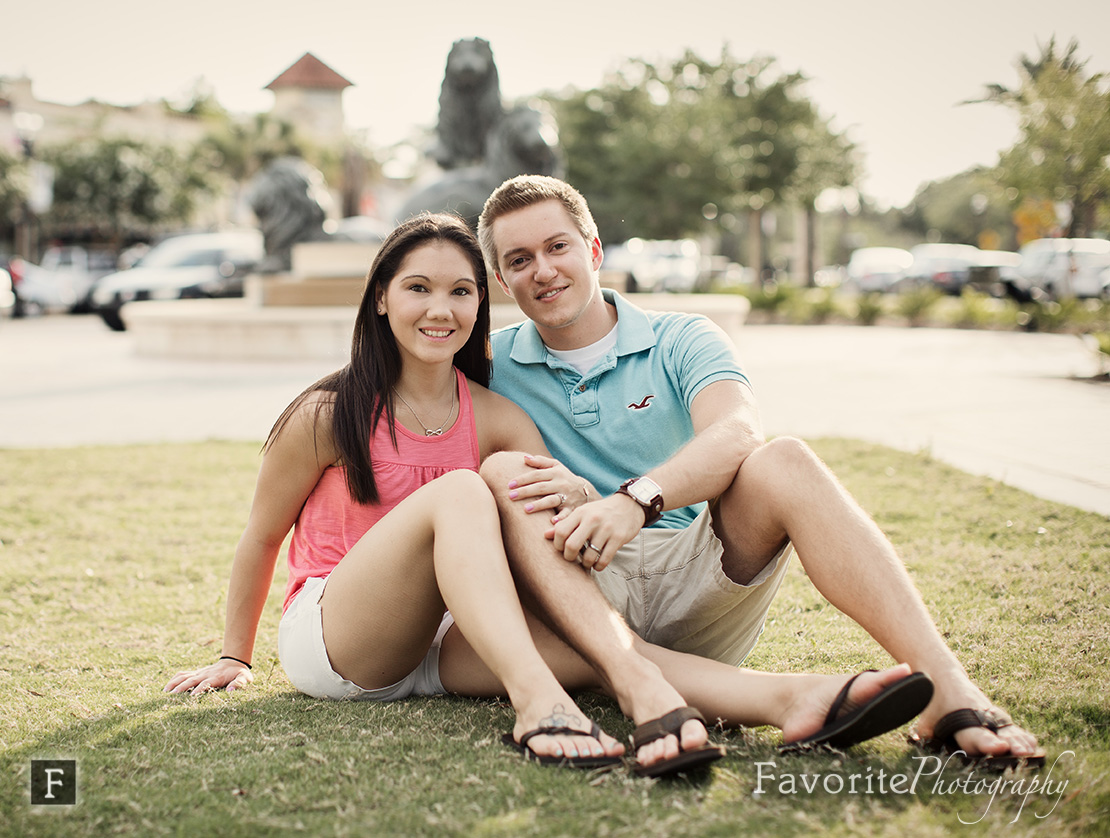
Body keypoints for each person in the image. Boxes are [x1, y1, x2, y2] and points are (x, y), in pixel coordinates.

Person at [164, 212, 935, 778]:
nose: (442, 309)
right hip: (339, 636)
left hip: (452, 641)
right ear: (380, 300)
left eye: (461, 292)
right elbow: (262, 536)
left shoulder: (497, 414)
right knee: (466, 491)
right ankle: (538, 706)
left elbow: (544, 543)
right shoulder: (328, 416)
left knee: (604, 645)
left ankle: (795, 699)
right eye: (419, 288)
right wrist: (235, 654)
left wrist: (578, 489)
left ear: (480, 307)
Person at [475, 175, 1045, 771]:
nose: (542, 270)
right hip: (581, 589)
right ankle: (635, 675)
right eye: (519, 259)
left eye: (557, 247)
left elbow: (737, 432)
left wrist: (633, 500)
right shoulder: (490, 363)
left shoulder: (682, 336)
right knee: (503, 471)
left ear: (593, 250)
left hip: (699, 581)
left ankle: (948, 689)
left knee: (784, 459)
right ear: (501, 279)